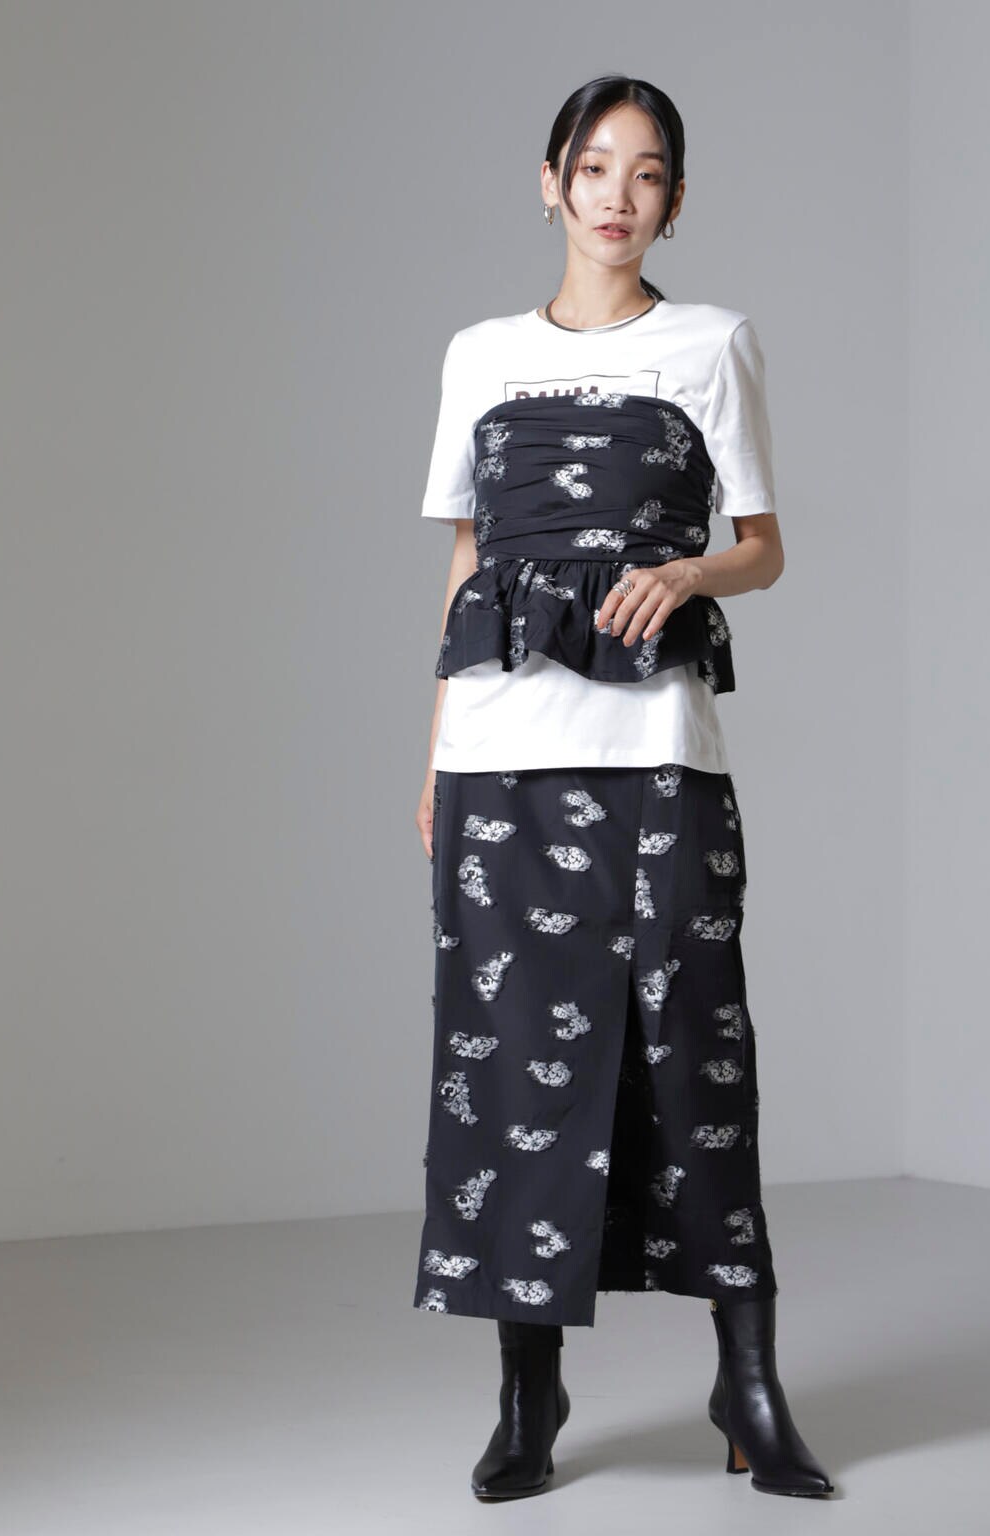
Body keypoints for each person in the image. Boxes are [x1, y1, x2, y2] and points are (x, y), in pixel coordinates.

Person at [411, 74, 833, 1502]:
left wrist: (689, 569)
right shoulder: (478, 355)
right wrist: (434, 755)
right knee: (509, 1067)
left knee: (694, 1052)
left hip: (656, 751)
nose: (616, 195)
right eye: (593, 167)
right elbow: (467, 563)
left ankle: (749, 1383)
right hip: (501, 757)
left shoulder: (714, 343)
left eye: (647, 173)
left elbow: (766, 544)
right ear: (551, 182)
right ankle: (529, 1395)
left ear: (675, 200)